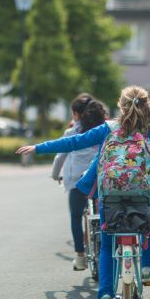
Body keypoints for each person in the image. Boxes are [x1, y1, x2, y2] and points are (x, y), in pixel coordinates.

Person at [16, 85, 150, 299]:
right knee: (149, 221)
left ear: (120, 106)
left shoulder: (108, 128)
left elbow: (74, 142)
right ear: (147, 106)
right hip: (142, 194)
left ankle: (105, 295)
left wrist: (38, 147)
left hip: (110, 194)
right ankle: (148, 269)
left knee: (108, 242)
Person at [51, 93, 107, 271]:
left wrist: (55, 175)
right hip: (101, 180)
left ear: (76, 114)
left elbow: (60, 157)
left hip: (77, 181)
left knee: (76, 217)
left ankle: (80, 257)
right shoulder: (104, 131)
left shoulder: (71, 133)